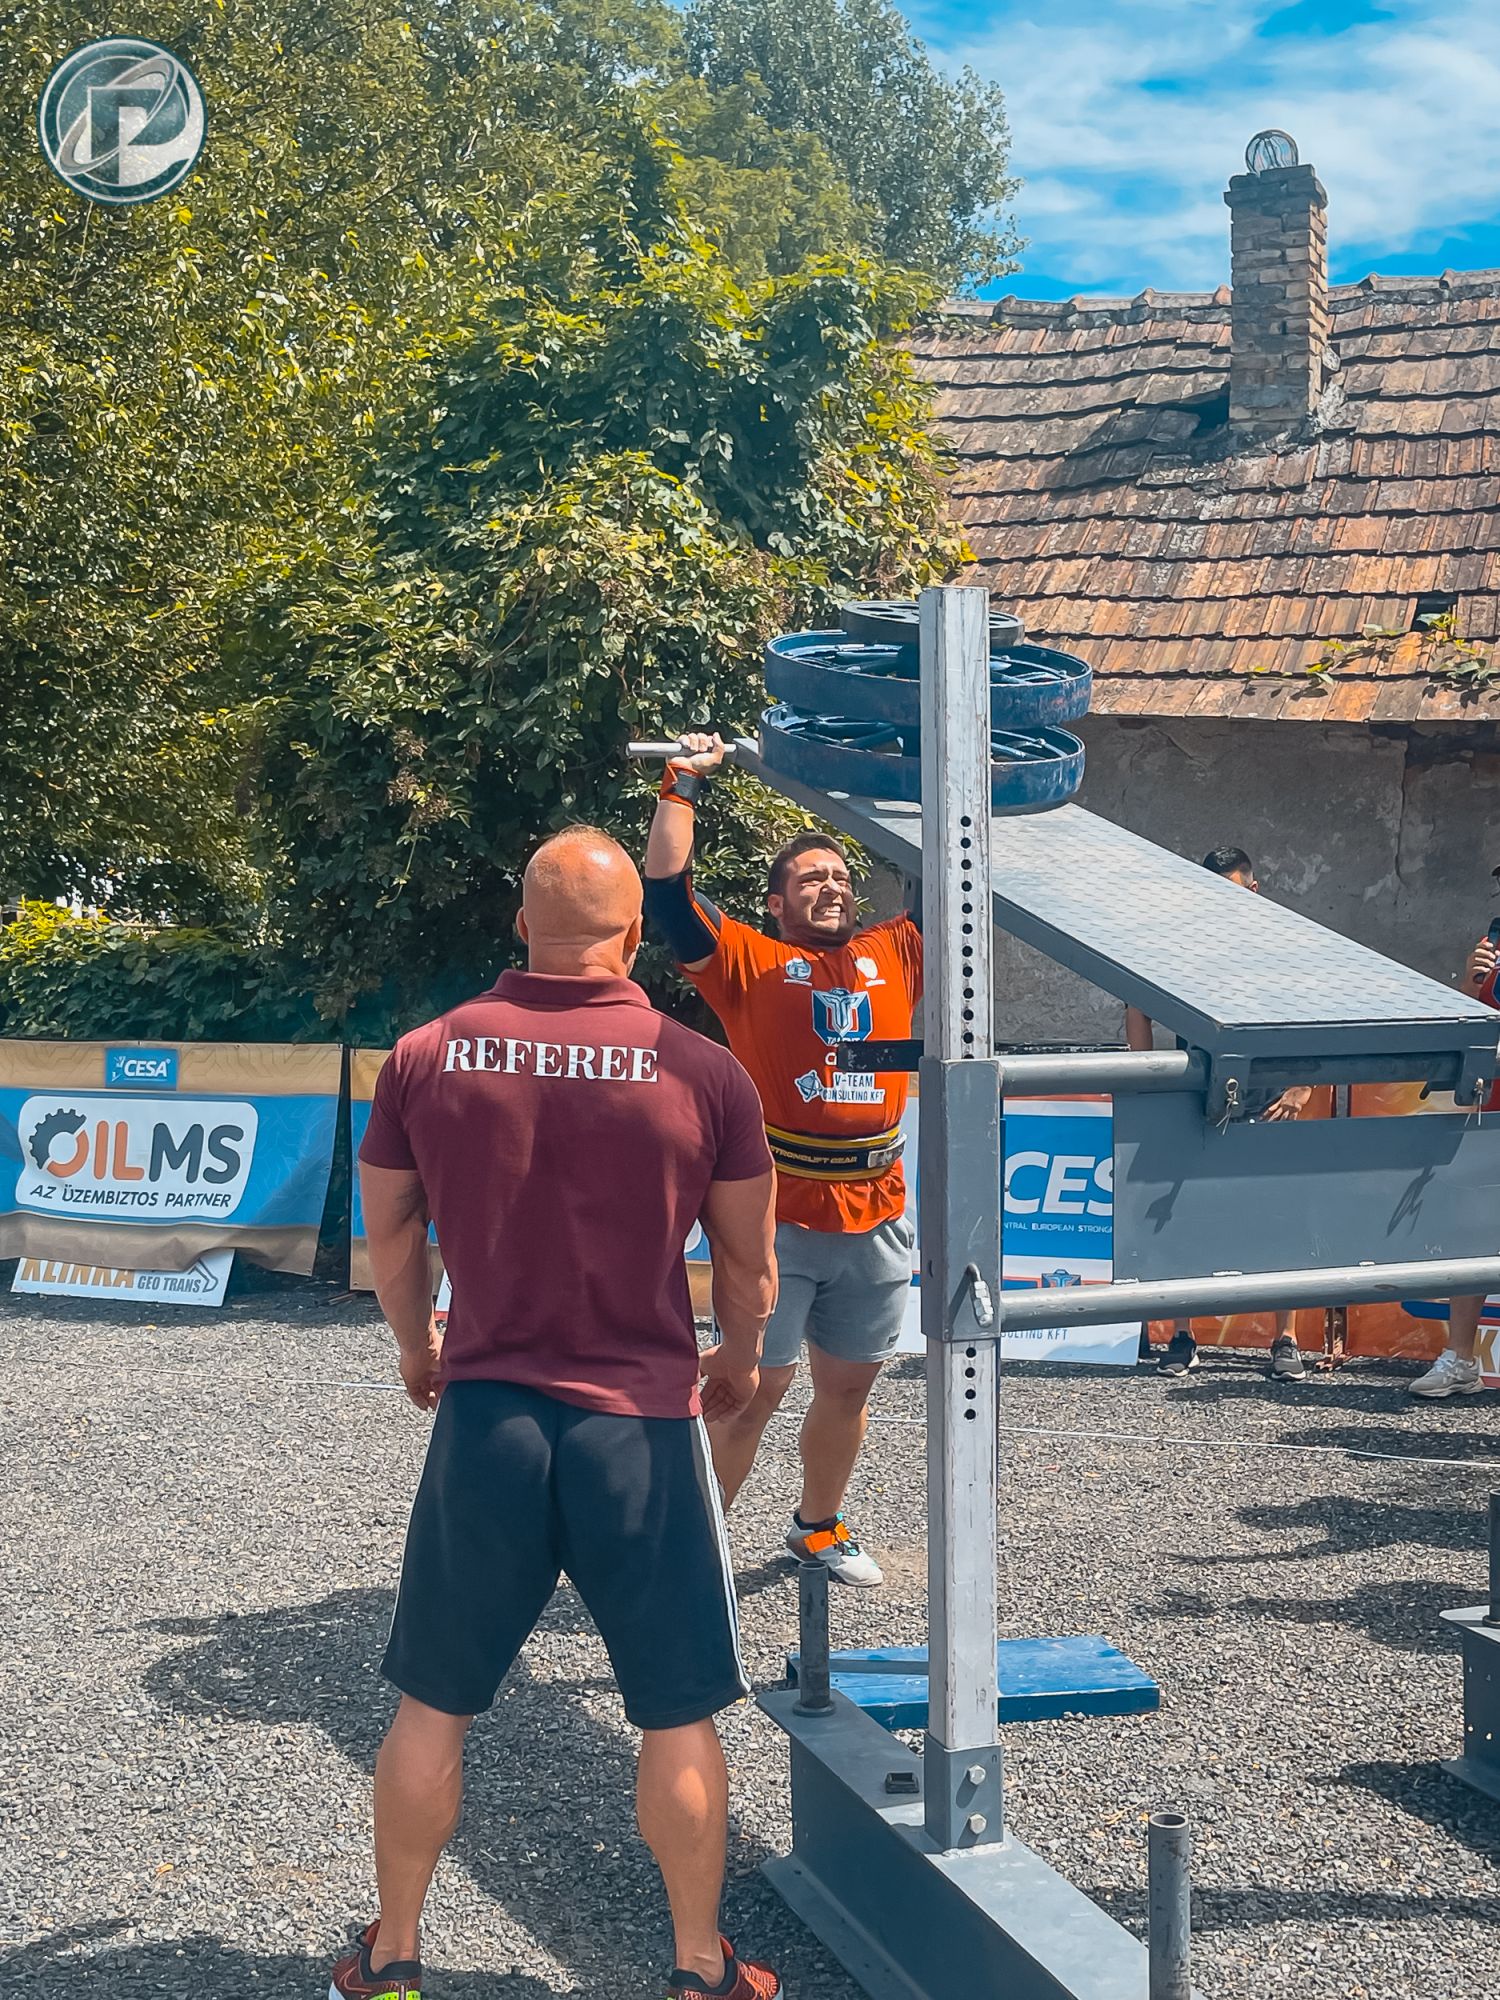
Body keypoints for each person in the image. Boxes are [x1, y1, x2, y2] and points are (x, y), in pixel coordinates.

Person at [334, 827, 783, 2000]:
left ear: (521, 924)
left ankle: (391, 1958)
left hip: (489, 1416)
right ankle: (700, 1968)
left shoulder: (426, 1054)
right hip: (640, 1427)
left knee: (433, 1701)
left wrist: (417, 1345)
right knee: (677, 1710)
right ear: (634, 935)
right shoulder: (704, 1070)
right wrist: (737, 1360)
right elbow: (749, 1264)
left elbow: (390, 1233)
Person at [642, 732, 921, 1589]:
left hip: (878, 1212)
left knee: (849, 1387)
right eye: (810, 879)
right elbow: (666, 893)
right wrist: (683, 782)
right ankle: (690, 1555)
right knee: (751, 1390)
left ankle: (817, 1526)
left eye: (840, 876)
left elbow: (951, 870)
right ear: (774, 903)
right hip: (776, 1220)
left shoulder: (896, 950)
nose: (832, 886)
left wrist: (920, 767)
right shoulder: (750, 962)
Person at [1126, 846, 1314, 1383]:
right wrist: (1150, 1083)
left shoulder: (1286, 946)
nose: (1221, 904)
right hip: (1196, 1103)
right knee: (1181, 1220)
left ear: (1253, 889)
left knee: (1278, 1223)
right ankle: (1183, 1337)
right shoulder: (1181, 947)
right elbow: (1137, 1005)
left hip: (1271, 1105)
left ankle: (1285, 1340)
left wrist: (1302, 1086)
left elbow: (1317, 1012)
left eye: (1230, 891)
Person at [1411, 920, 1500, 1399]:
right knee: (1474, 1237)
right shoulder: (1492, 953)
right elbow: (1463, 1024)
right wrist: (1470, 982)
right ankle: (1461, 1359)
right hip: (1488, 1115)